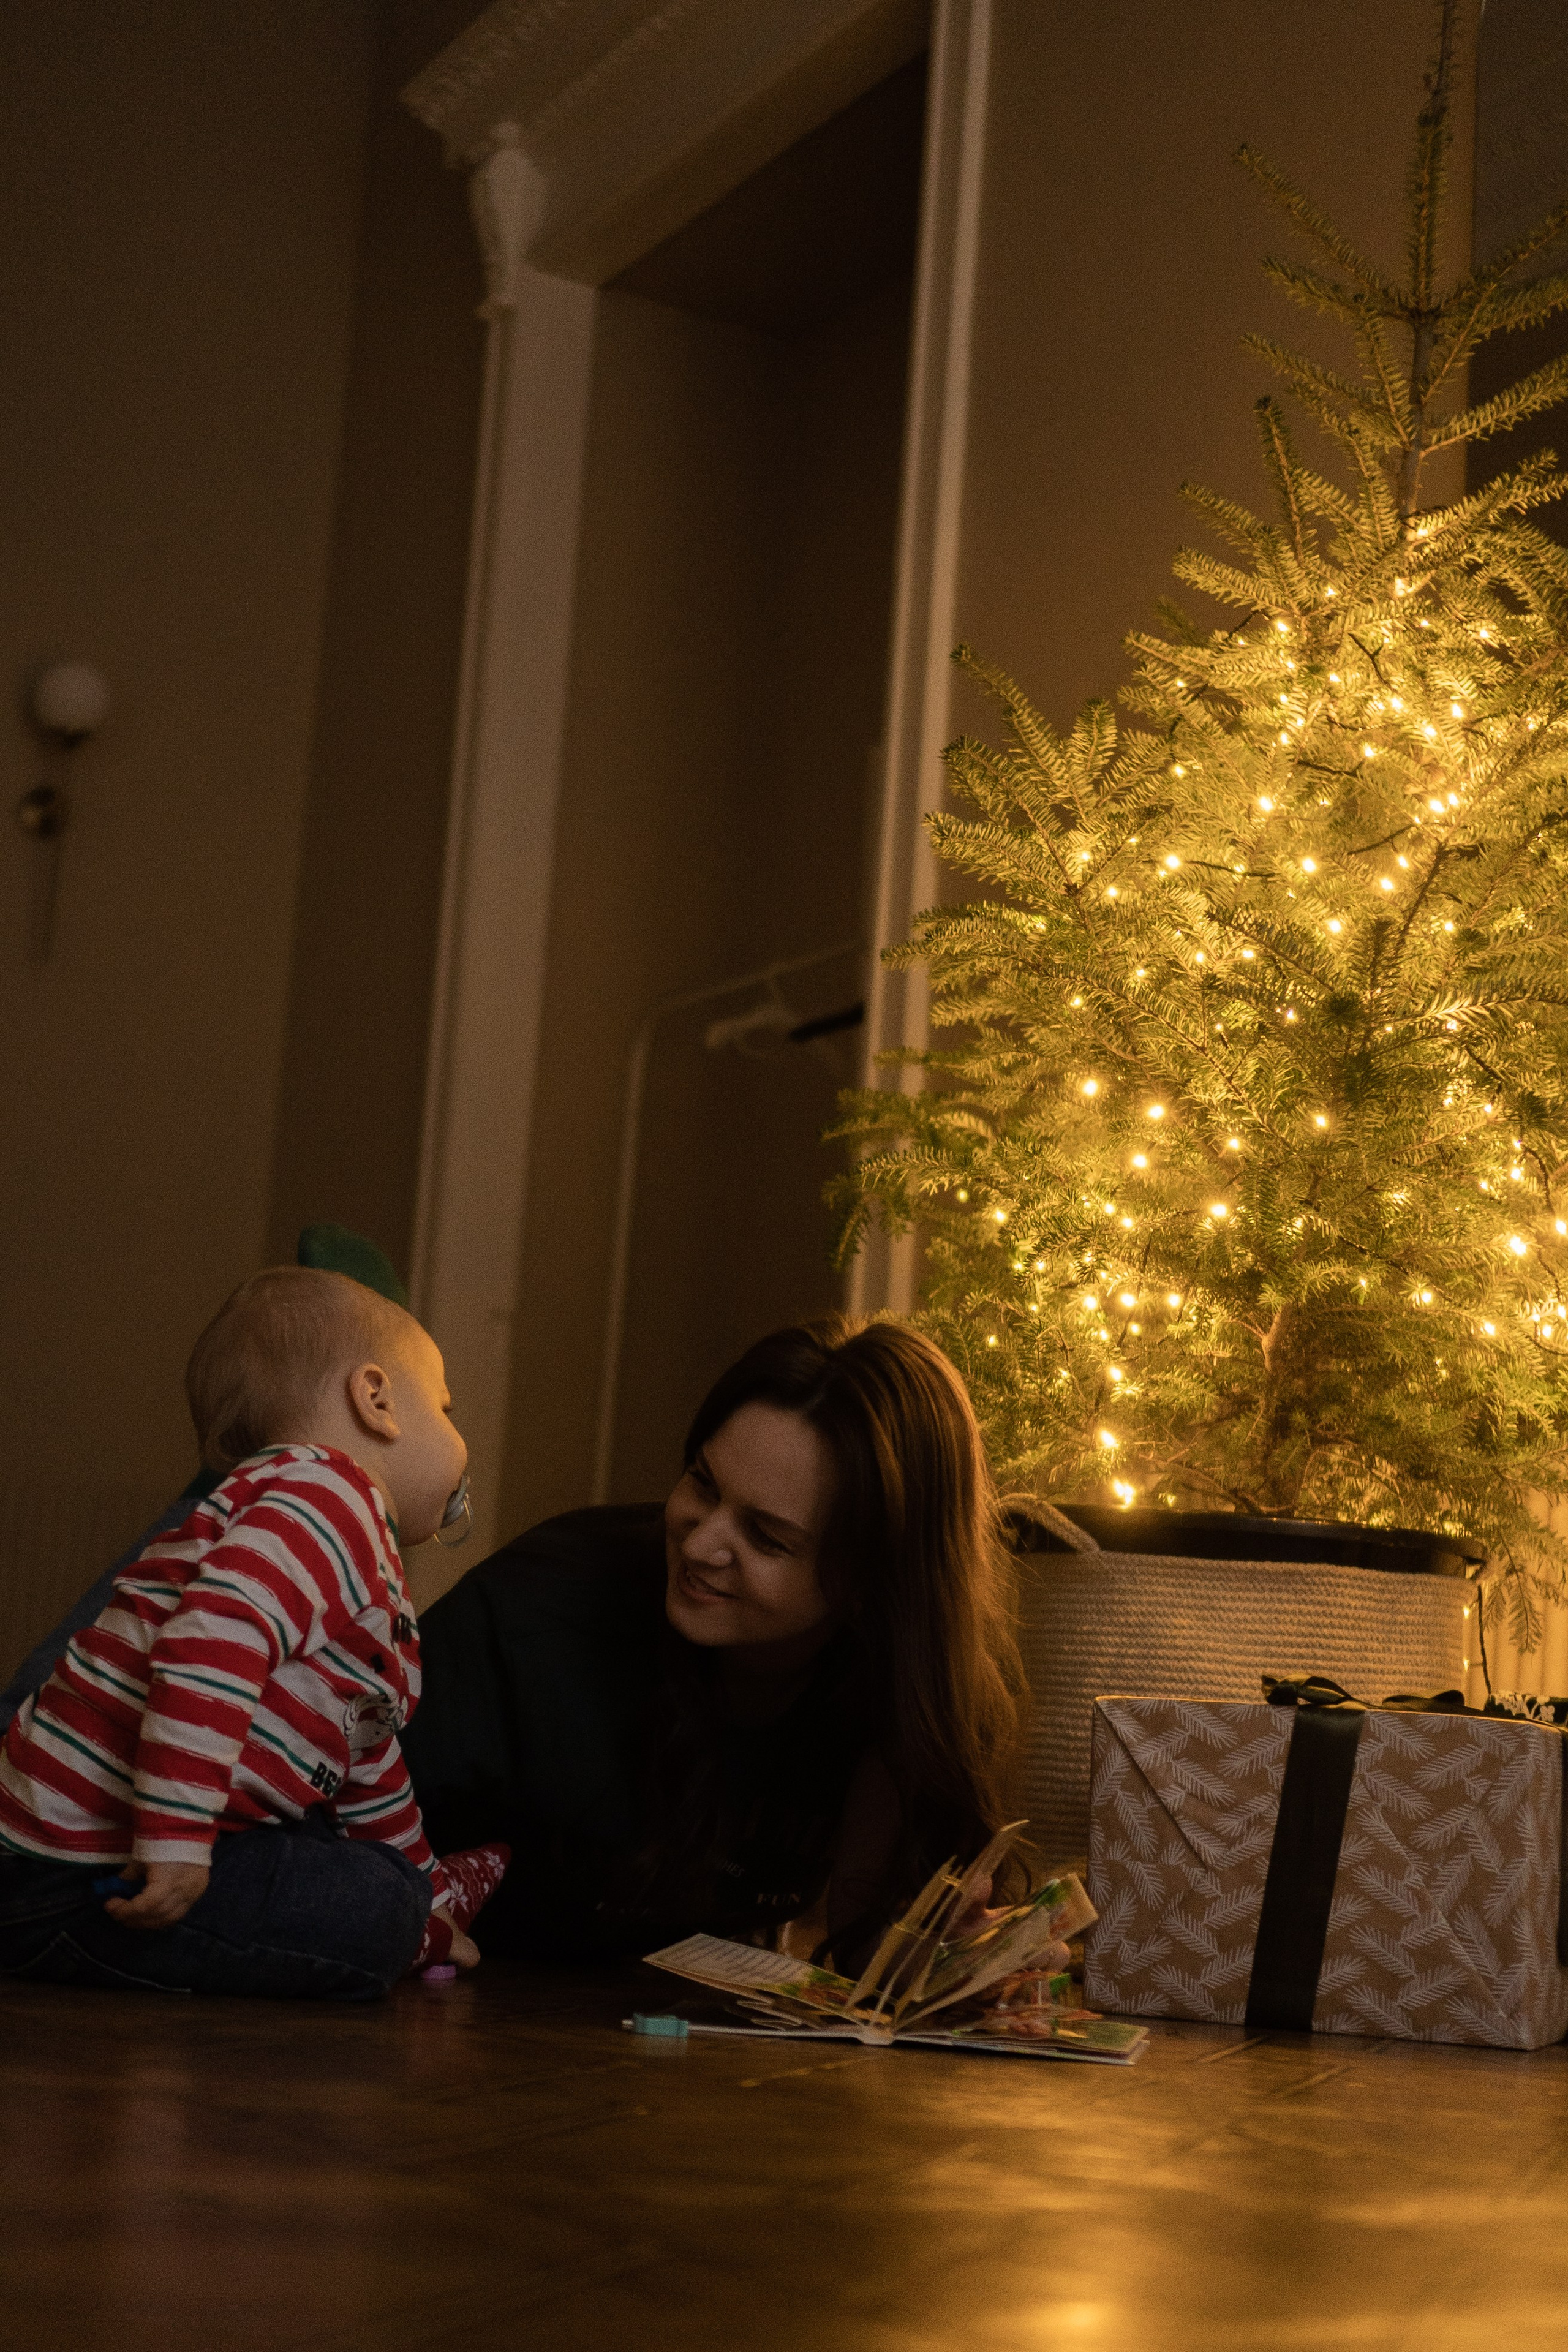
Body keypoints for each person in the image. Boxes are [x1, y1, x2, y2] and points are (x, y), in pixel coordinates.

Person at [403, 1314, 1026, 1972]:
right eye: (703, 1483)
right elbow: (329, 1830)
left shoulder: (901, 1686)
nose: (699, 1545)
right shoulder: (534, 1619)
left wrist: (954, 1962)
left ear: (871, 1582)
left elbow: (874, 1958)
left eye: (767, 1538)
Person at [0, 1267, 500, 2000]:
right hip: (76, 1869)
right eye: (446, 1405)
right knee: (372, 1910)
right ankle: (408, 1921)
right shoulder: (328, 1496)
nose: (458, 1433)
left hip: (91, 1854)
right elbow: (210, 1640)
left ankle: (423, 1898)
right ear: (377, 1400)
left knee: (378, 1878)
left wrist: (424, 1883)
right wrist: (174, 1835)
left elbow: (366, 1751)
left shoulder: (322, 1533)